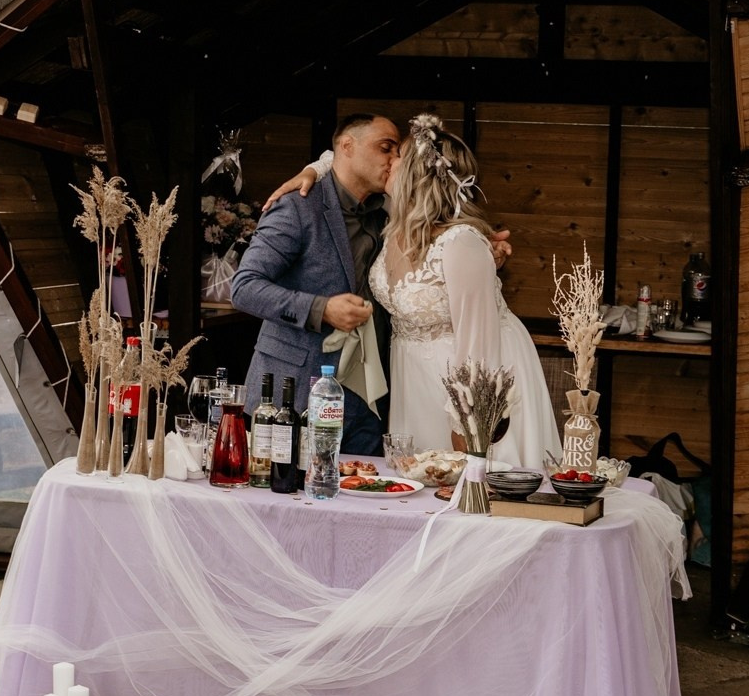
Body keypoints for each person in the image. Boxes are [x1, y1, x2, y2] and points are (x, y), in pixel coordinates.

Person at [371, 114, 560, 470]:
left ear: (416, 174)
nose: (389, 161)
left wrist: (465, 420)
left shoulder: (461, 242)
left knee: (473, 482)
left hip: (467, 378)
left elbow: (478, 341)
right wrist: (315, 169)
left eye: (398, 156)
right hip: (413, 379)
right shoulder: (392, 231)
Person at [231, 113, 401, 455]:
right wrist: (320, 309)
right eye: (386, 148)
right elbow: (244, 288)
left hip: (368, 400)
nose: (394, 160)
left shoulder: (387, 213)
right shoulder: (297, 206)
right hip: (293, 393)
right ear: (347, 146)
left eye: (397, 153)